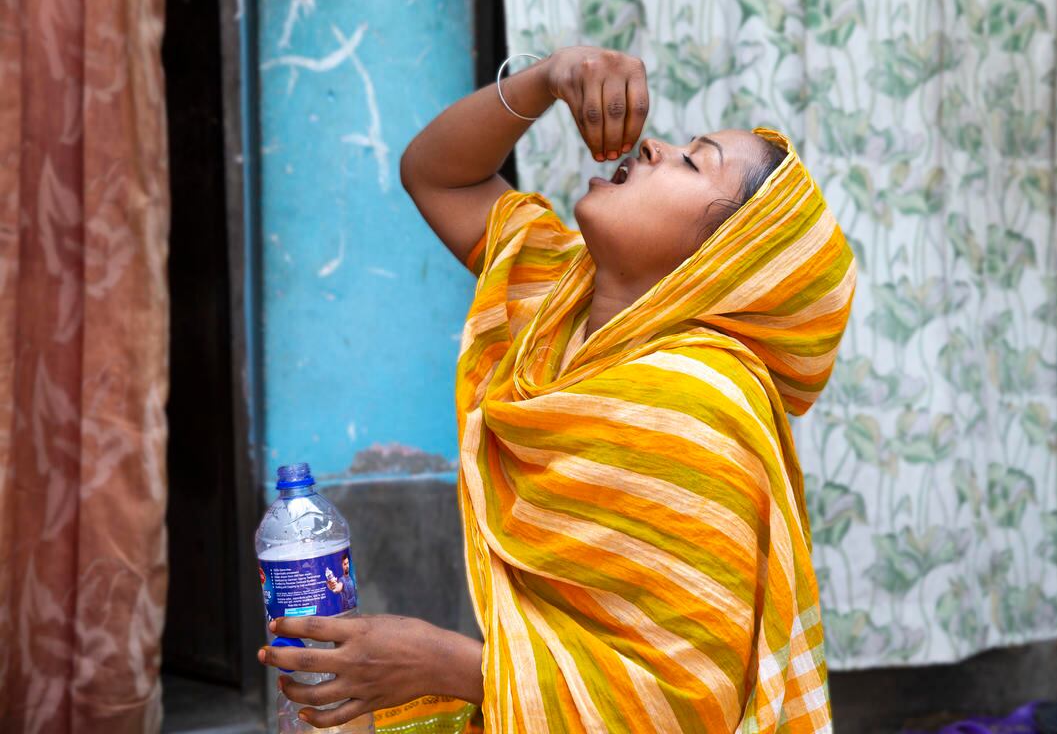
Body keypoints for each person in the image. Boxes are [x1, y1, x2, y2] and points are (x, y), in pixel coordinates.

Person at [258, 46, 856, 733]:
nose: (655, 146)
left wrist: (447, 665)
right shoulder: (556, 303)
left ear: (724, 259)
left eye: (695, 162)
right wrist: (545, 79)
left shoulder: (698, 407)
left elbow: (684, 707)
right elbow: (437, 176)